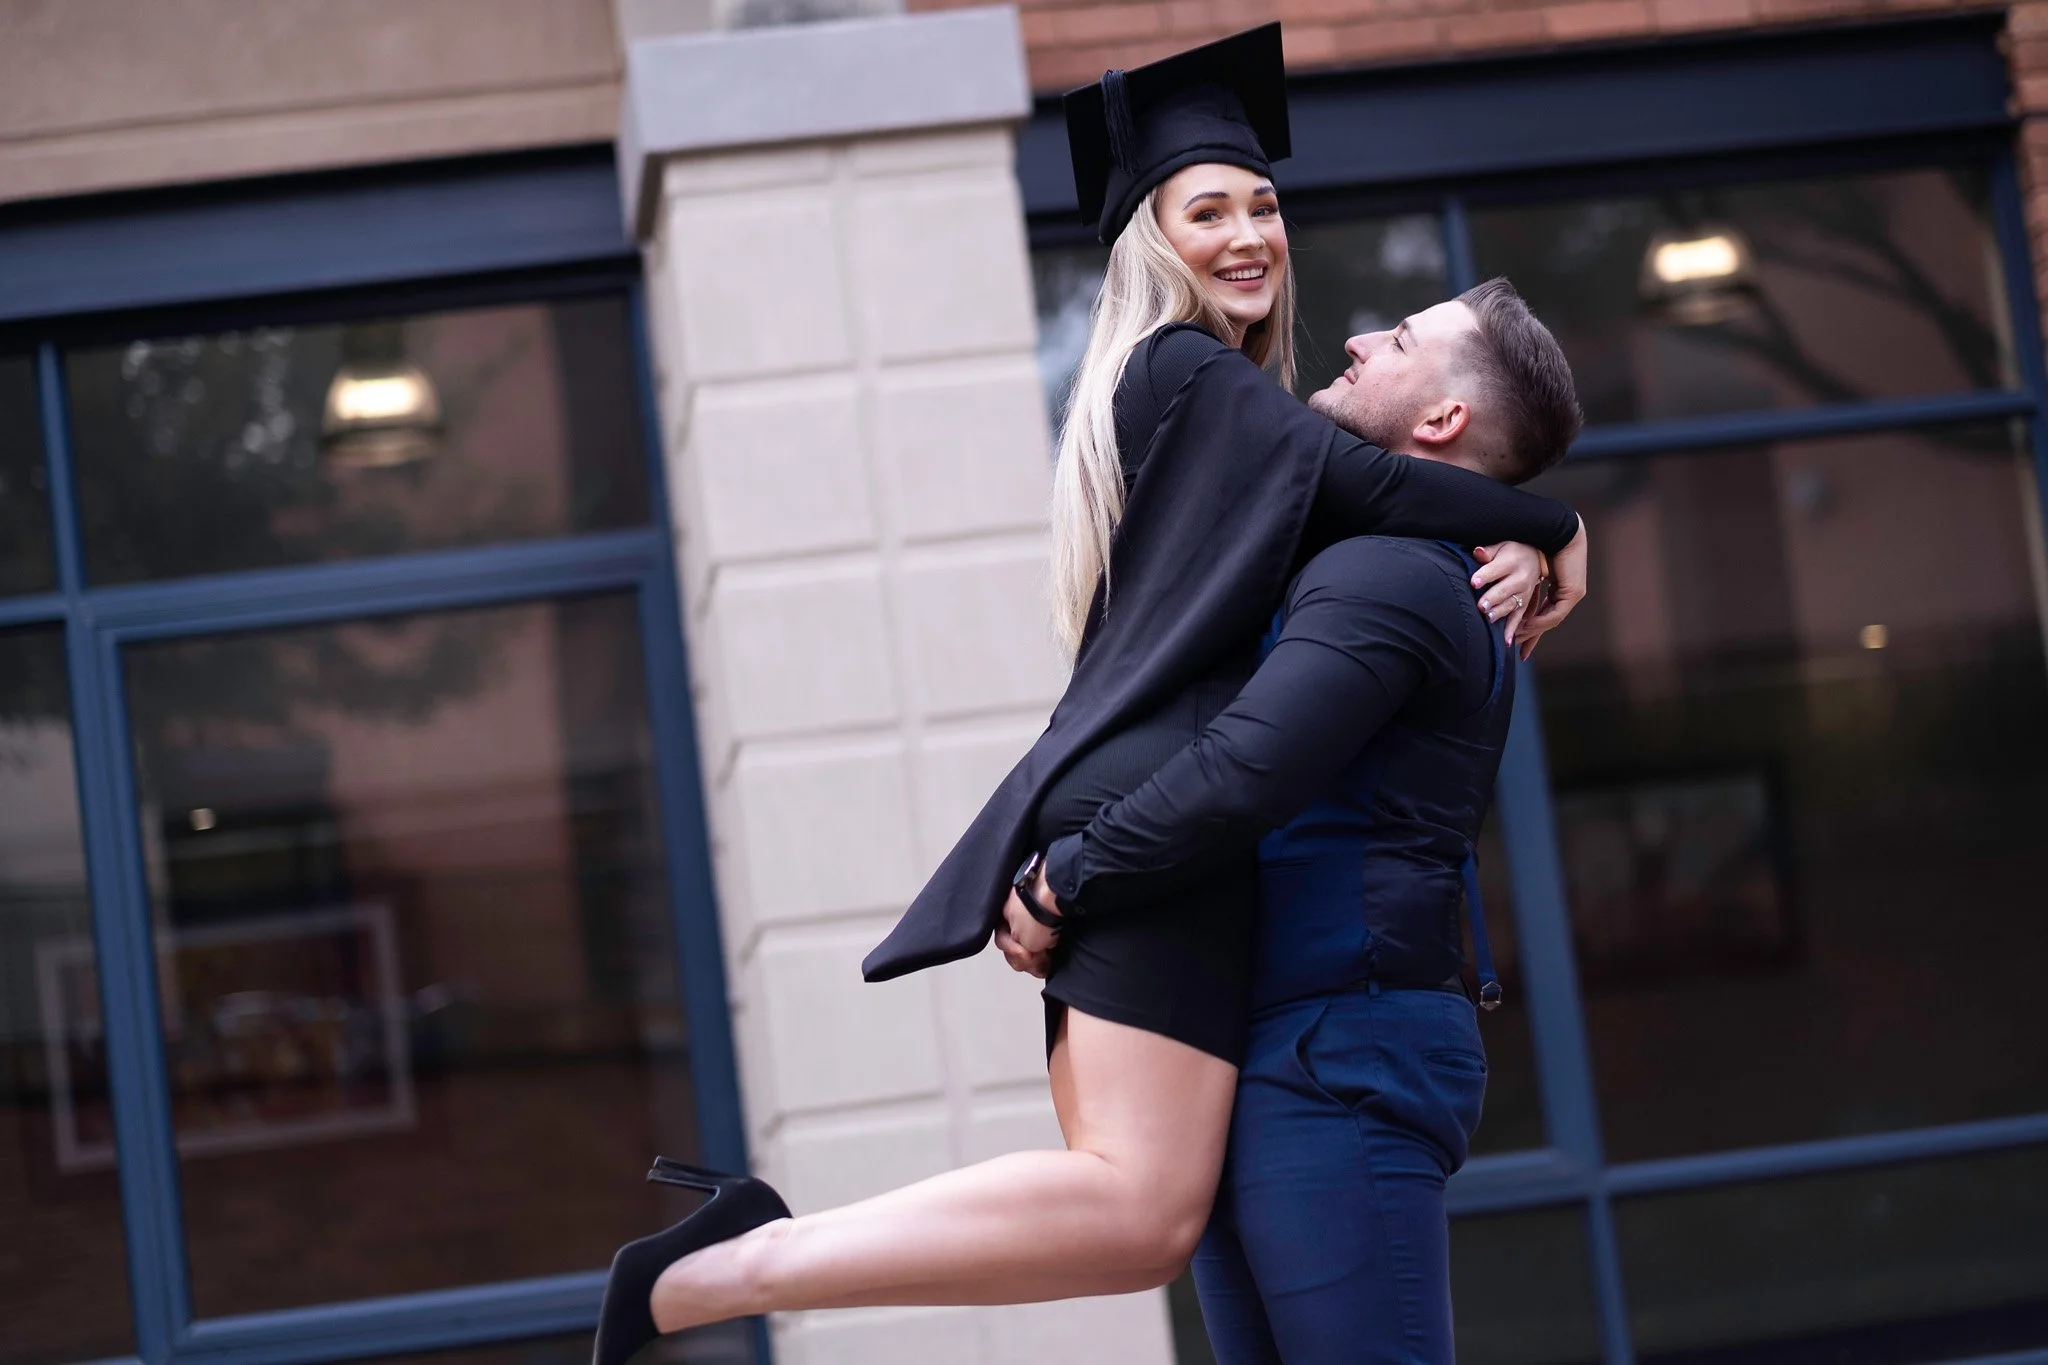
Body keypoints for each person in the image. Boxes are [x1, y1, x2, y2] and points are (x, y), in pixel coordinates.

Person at [591, 26, 1588, 1365]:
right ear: (1152, 244)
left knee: (1139, 1209)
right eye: (1207, 210)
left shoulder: (1245, 441)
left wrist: (1519, 528)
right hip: (1153, 811)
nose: (1253, 235)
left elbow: (1379, 497)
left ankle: (744, 1252)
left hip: (1146, 818)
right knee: (1132, 1208)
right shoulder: (1190, 375)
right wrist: (1552, 521)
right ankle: (739, 1260)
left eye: (1262, 206)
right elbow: (1377, 491)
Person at [998, 278, 1584, 1363]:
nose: (1358, 339)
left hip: (1336, 1049)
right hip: (1278, 1041)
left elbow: (1241, 772)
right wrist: (1543, 528)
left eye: (1398, 339)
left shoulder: (1389, 579)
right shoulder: (1380, 555)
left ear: (1444, 417)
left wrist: (1063, 880)